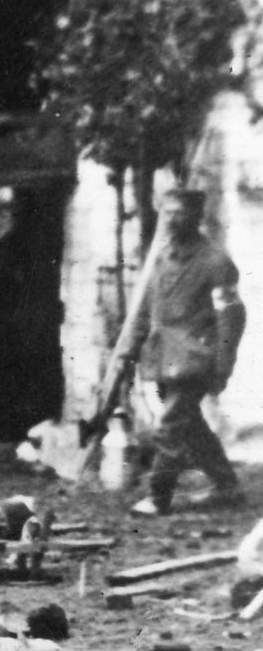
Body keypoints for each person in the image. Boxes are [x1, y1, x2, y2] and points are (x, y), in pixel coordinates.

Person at [119, 186, 246, 515]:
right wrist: (129, 350)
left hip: (195, 358)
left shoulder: (216, 262)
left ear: (196, 217)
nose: (173, 219)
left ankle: (158, 497)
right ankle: (226, 485)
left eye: (180, 213)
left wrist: (223, 365)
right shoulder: (161, 257)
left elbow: (231, 318)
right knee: (190, 425)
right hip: (163, 355)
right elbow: (145, 310)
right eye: (168, 212)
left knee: (171, 425)